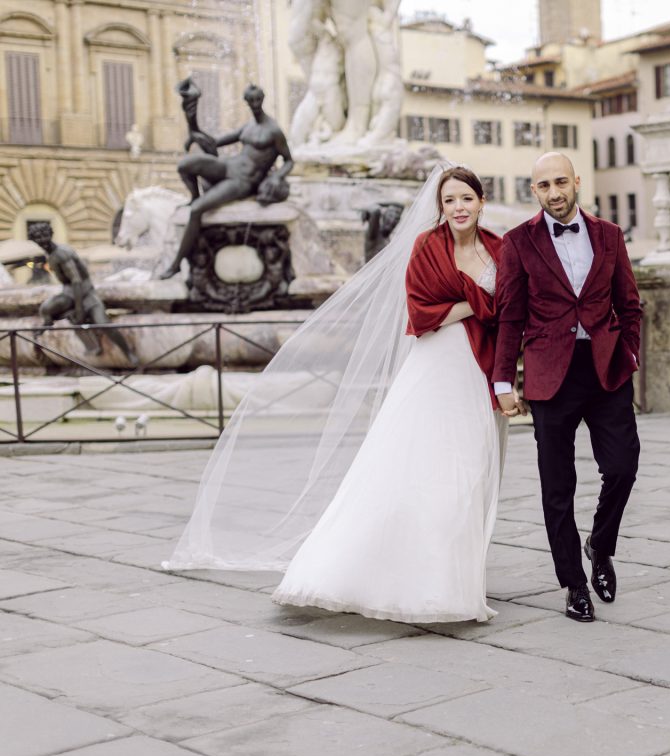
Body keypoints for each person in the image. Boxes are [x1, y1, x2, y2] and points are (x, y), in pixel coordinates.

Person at [166, 165, 512, 624]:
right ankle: (387, 574)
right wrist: (479, 305)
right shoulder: (427, 246)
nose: (459, 208)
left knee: (471, 471)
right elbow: (423, 312)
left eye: (466, 198)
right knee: (421, 467)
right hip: (437, 366)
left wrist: (499, 356)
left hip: (480, 369)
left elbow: (513, 310)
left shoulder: (499, 248)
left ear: (481, 201)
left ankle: (453, 571)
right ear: (440, 206)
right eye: (449, 200)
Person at [493, 152, 642, 623]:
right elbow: (510, 316)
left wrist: (631, 354)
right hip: (548, 373)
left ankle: (600, 543)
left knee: (622, 466)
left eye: (561, 182)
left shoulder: (609, 235)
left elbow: (630, 304)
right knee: (557, 484)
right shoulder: (517, 243)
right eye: (543, 186)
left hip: (605, 368)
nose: (554, 193)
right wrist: (503, 380)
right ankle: (574, 583)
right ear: (532, 191)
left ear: (577, 182)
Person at [159, 84, 293, 280]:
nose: (255, 104)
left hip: (244, 180)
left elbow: (289, 160)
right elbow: (213, 143)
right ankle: (194, 195)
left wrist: (276, 176)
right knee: (185, 165)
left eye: (258, 100)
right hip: (229, 166)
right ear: (246, 102)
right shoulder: (248, 126)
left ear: (263, 100)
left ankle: (177, 263)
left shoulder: (273, 130)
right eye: (251, 100)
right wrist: (192, 121)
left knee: (197, 210)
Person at [27, 221, 139, 367]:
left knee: (103, 324)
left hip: (85, 293)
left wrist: (79, 308)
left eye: (44, 235)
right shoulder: (50, 254)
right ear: (34, 240)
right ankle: (80, 337)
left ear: (50, 234)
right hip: (70, 294)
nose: (41, 240)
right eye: (38, 238)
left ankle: (128, 352)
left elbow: (77, 281)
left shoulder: (61, 254)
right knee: (46, 309)